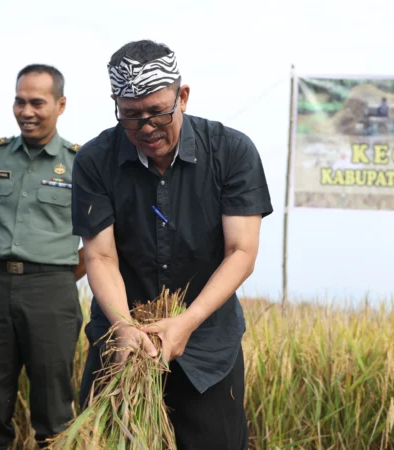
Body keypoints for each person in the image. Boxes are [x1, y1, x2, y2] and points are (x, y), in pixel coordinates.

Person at [72, 40, 273, 450]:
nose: (146, 127)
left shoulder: (231, 151)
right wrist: (125, 327)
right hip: (124, 340)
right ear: (116, 105)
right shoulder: (95, 159)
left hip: (207, 346)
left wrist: (186, 322)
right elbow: (100, 255)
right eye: (131, 116)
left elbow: (241, 252)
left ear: (182, 96)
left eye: (158, 112)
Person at [0, 64, 86, 450]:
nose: (26, 111)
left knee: (53, 411)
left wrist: (58, 277)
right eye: (20, 101)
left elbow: (100, 241)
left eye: (37, 102)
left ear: (61, 104)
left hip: (52, 289)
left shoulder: (81, 165)